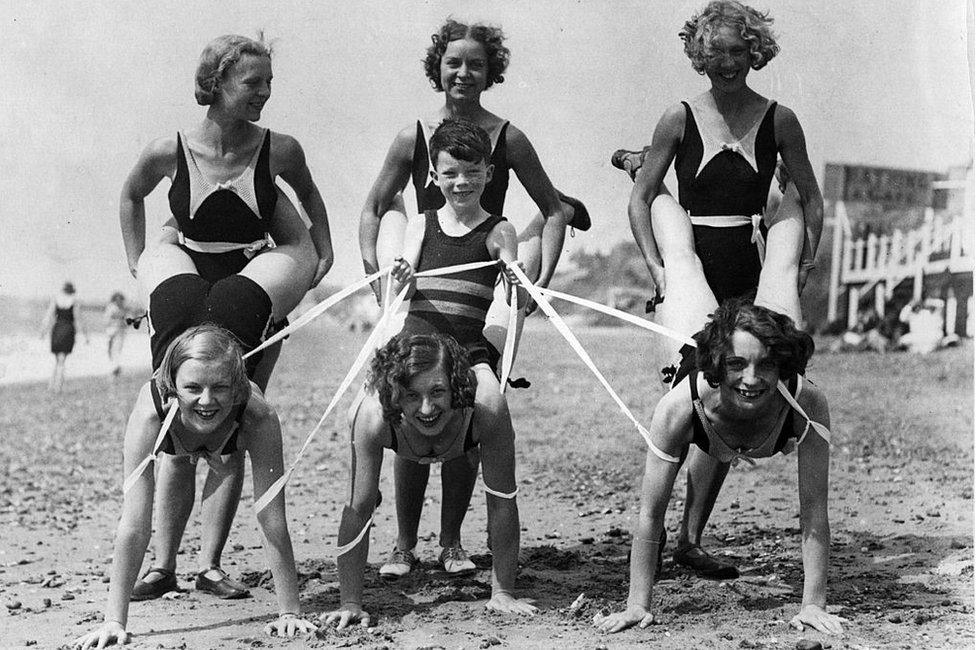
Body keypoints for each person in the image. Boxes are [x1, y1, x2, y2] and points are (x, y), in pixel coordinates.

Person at [614, 0, 824, 578]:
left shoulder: (779, 119)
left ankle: (689, 538)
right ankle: (657, 530)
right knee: (695, 391)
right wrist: (657, 270)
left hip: (750, 265)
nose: (727, 61)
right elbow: (644, 200)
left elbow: (808, 195)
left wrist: (802, 266)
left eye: (738, 50)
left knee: (742, 389)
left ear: (756, 52)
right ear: (698, 55)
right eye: (715, 51)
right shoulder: (679, 116)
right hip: (691, 259)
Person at [119, 34, 331, 600]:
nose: (264, 93)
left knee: (231, 429)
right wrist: (137, 262)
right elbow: (130, 195)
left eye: (268, 84)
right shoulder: (170, 149)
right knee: (177, 429)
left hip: (250, 286)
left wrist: (323, 250)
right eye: (252, 83)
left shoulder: (279, 149)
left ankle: (208, 565)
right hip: (186, 280)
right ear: (215, 84)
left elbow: (310, 197)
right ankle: (163, 566)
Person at [593, 300, 845, 636]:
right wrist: (638, 604)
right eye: (737, 364)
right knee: (682, 258)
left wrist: (813, 603)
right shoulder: (677, 409)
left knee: (783, 265)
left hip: (759, 412)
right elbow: (650, 514)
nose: (752, 379)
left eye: (767, 365)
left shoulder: (807, 403)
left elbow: (814, 510)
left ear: (782, 367)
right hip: (701, 403)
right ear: (717, 365)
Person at [71, 325, 317, 649]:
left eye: (220, 388)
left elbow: (271, 516)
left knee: (228, 458)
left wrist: (290, 611)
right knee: (176, 461)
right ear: (173, 387)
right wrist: (114, 621)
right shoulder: (150, 415)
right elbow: (134, 524)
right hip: (173, 329)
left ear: (237, 388)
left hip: (237, 328)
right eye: (192, 388)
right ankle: (163, 569)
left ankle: (209, 567)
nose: (206, 400)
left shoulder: (259, 416)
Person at [360, 17, 589, 353]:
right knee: (393, 203)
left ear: (490, 72)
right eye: (453, 63)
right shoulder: (413, 137)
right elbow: (372, 210)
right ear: (437, 68)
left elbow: (552, 211)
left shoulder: (510, 137)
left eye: (476, 65)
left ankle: (550, 219)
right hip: (428, 252)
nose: (464, 73)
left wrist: (541, 285)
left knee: (526, 252)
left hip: (488, 251)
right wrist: (375, 281)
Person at [378, 119, 525, 579]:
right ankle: (403, 545)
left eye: (472, 172)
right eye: (450, 173)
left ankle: (451, 542)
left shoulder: (500, 230)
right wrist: (398, 281)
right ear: (433, 177)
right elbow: (398, 295)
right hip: (416, 349)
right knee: (408, 438)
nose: (461, 182)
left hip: (466, 352)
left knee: (470, 429)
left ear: (489, 173)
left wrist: (516, 279)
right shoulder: (422, 225)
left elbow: (512, 281)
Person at [321, 333, 535, 630]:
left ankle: (452, 542)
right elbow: (357, 511)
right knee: (363, 495)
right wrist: (350, 603)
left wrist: (503, 593)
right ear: (396, 396)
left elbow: (502, 501)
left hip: (472, 338)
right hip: (396, 402)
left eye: (437, 392)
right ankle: (401, 539)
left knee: (467, 452)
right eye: (412, 396)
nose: (426, 408)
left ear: (456, 387)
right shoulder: (373, 416)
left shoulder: (487, 406)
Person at [40, 281, 87, 392]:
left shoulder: (55, 299)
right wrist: (85, 335)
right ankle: (58, 387)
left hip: (57, 329)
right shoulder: (74, 301)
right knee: (62, 360)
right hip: (68, 330)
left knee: (57, 360)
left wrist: (42, 332)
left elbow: (48, 317)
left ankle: (51, 385)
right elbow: (78, 319)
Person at [104, 292, 130, 377]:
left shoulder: (120, 308)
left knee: (115, 349)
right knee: (112, 349)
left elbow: (126, 321)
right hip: (113, 330)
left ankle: (115, 366)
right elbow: (106, 320)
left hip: (117, 331)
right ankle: (114, 365)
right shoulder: (114, 308)